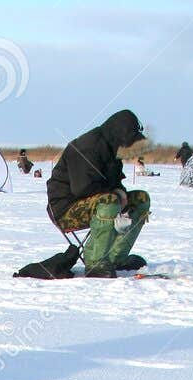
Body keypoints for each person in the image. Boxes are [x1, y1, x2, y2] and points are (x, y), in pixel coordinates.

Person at [47, 109, 151, 277]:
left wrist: (121, 194)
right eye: (130, 141)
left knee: (141, 199)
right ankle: (96, 262)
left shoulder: (113, 149)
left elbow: (114, 182)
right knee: (109, 201)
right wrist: (117, 195)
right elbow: (82, 189)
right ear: (119, 135)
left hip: (97, 203)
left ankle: (116, 257)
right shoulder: (87, 146)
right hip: (64, 209)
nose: (131, 146)